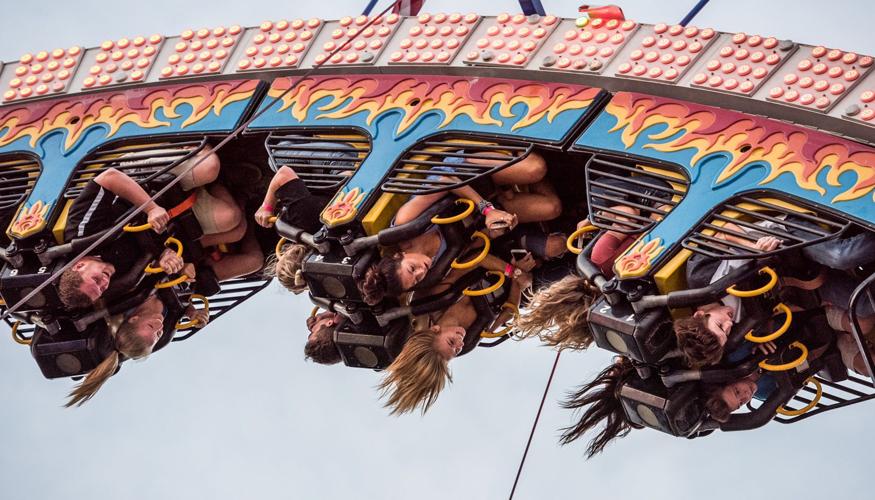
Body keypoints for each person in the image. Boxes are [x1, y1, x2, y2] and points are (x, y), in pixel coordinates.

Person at [57, 148, 249, 308]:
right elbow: (152, 257)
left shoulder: (81, 232)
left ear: (79, 265)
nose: (104, 283)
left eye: (96, 281)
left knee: (209, 166)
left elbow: (109, 177)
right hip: (172, 214)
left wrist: (150, 208)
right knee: (231, 220)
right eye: (102, 289)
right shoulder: (119, 276)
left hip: (141, 177)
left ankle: (199, 150)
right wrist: (171, 261)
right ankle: (232, 184)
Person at [359, 153, 554, 305]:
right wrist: (494, 231)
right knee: (551, 208)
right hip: (489, 202)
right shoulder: (437, 266)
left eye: (412, 269)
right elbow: (472, 243)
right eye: (417, 279)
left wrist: (487, 210)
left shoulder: (405, 224)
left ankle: (513, 158)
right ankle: (510, 186)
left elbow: (444, 179)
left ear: (398, 256)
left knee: (536, 169)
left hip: (464, 170)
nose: (421, 272)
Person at [64, 293, 209, 406]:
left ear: (134, 319)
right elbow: (181, 305)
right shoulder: (166, 324)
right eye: (158, 334)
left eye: (152, 327)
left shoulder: (129, 304)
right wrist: (193, 313)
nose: (160, 326)